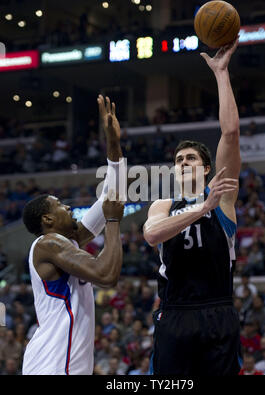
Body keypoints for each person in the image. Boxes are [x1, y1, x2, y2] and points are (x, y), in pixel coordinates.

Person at [144, 39, 241, 375]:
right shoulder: (163, 203)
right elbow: (153, 234)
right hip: (175, 313)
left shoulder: (223, 196)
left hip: (218, 312)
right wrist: (202, 208)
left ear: (206, 168)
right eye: (179, 159)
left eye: (191, 158)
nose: (184, 162)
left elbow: (230, 134)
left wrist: (221, 73)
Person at [21, 95, 126, 375]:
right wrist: (114, 220)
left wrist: (113, 144)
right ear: (48, 219)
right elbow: (106, 275)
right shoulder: (48, 244)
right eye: (61, 205)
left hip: (62, 364)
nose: (68, 207)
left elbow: (111, 194)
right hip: (52, 366)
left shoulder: (66, 242)